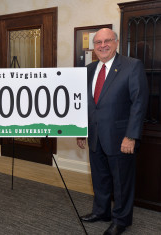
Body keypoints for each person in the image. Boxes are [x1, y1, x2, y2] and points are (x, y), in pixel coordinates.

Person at [77, 28, 148, 235]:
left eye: (107, 41)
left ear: (116, 43)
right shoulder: (89, 69)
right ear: (94, 47)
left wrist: (131, 136)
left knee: (121, 182)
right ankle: (101, 212)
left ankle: (121, 220)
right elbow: (84, 104)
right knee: (99, 177)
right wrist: (82, 131)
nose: (102, 45)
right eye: (98, 42)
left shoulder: (131, 66)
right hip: (95, 135)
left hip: (121, 138)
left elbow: (139, 104)